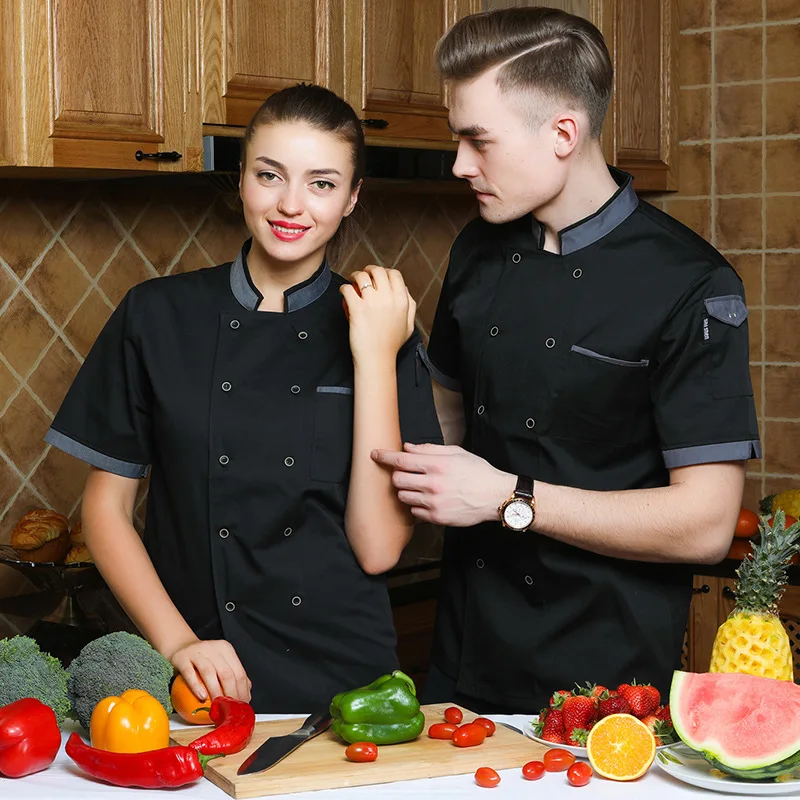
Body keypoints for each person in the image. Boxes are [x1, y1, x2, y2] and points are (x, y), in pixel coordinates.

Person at [372, 7, 760, 713]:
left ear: (562, 133)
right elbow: (446, 430)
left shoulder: (692, 285)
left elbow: (706, 524)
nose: (459, 164)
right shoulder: (475, 249)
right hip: (463, 656)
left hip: (604, 681)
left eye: (477, 140)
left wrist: (508, 499)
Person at [44, 83, 442, 712]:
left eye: (322, 183)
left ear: (352, 198)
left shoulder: (383, 324)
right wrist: (180, 644)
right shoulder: (156, 315)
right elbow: (105, 513)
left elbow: (378, 546)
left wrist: (372, 356)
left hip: (348, 688)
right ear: (241, 180)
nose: (291, 205)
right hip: (197, 678)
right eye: (269, 175)